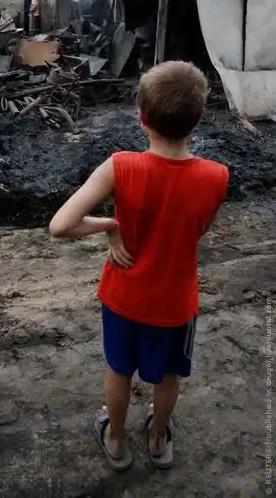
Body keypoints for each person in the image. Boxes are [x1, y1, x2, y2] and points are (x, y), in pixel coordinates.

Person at [49, 61, 229, 472]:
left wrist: (111, 225)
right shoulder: (217, 176)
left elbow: (60, 225)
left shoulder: (120, 166)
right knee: (167, 377)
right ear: (197, 119)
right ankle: (158, 439)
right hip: (175, 304)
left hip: (123, 297)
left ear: (141, 117)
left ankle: (115, 440)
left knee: (119, 371)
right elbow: (199, 230)